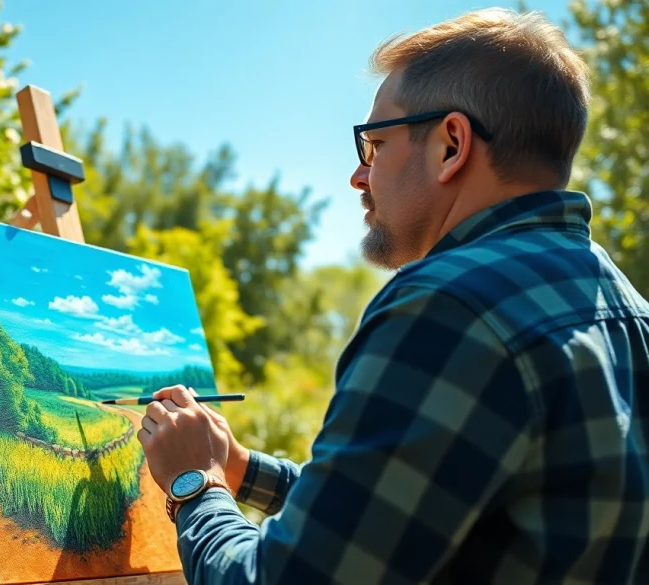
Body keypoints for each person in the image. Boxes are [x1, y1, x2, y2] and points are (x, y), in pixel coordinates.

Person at [137, 7, 648, 585]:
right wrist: (240, 469)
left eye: (374, 144)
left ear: (451, 144)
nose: (359, 176)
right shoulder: (627, 309)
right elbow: (417, 509)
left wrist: (194, 484)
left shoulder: (448, 306)